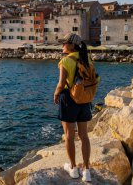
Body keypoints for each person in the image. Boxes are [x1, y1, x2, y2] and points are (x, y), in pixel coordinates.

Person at [54, 33, 92, 182]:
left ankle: (73, 168)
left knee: (69, 136)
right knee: (84, 136)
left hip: (69, 99)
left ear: (71, 45)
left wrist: (56, 94)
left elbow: (61, 83)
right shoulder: (86, 59)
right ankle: (87, 170)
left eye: (64, 43)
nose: (62, 45)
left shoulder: (66, 60)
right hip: (83, 99)